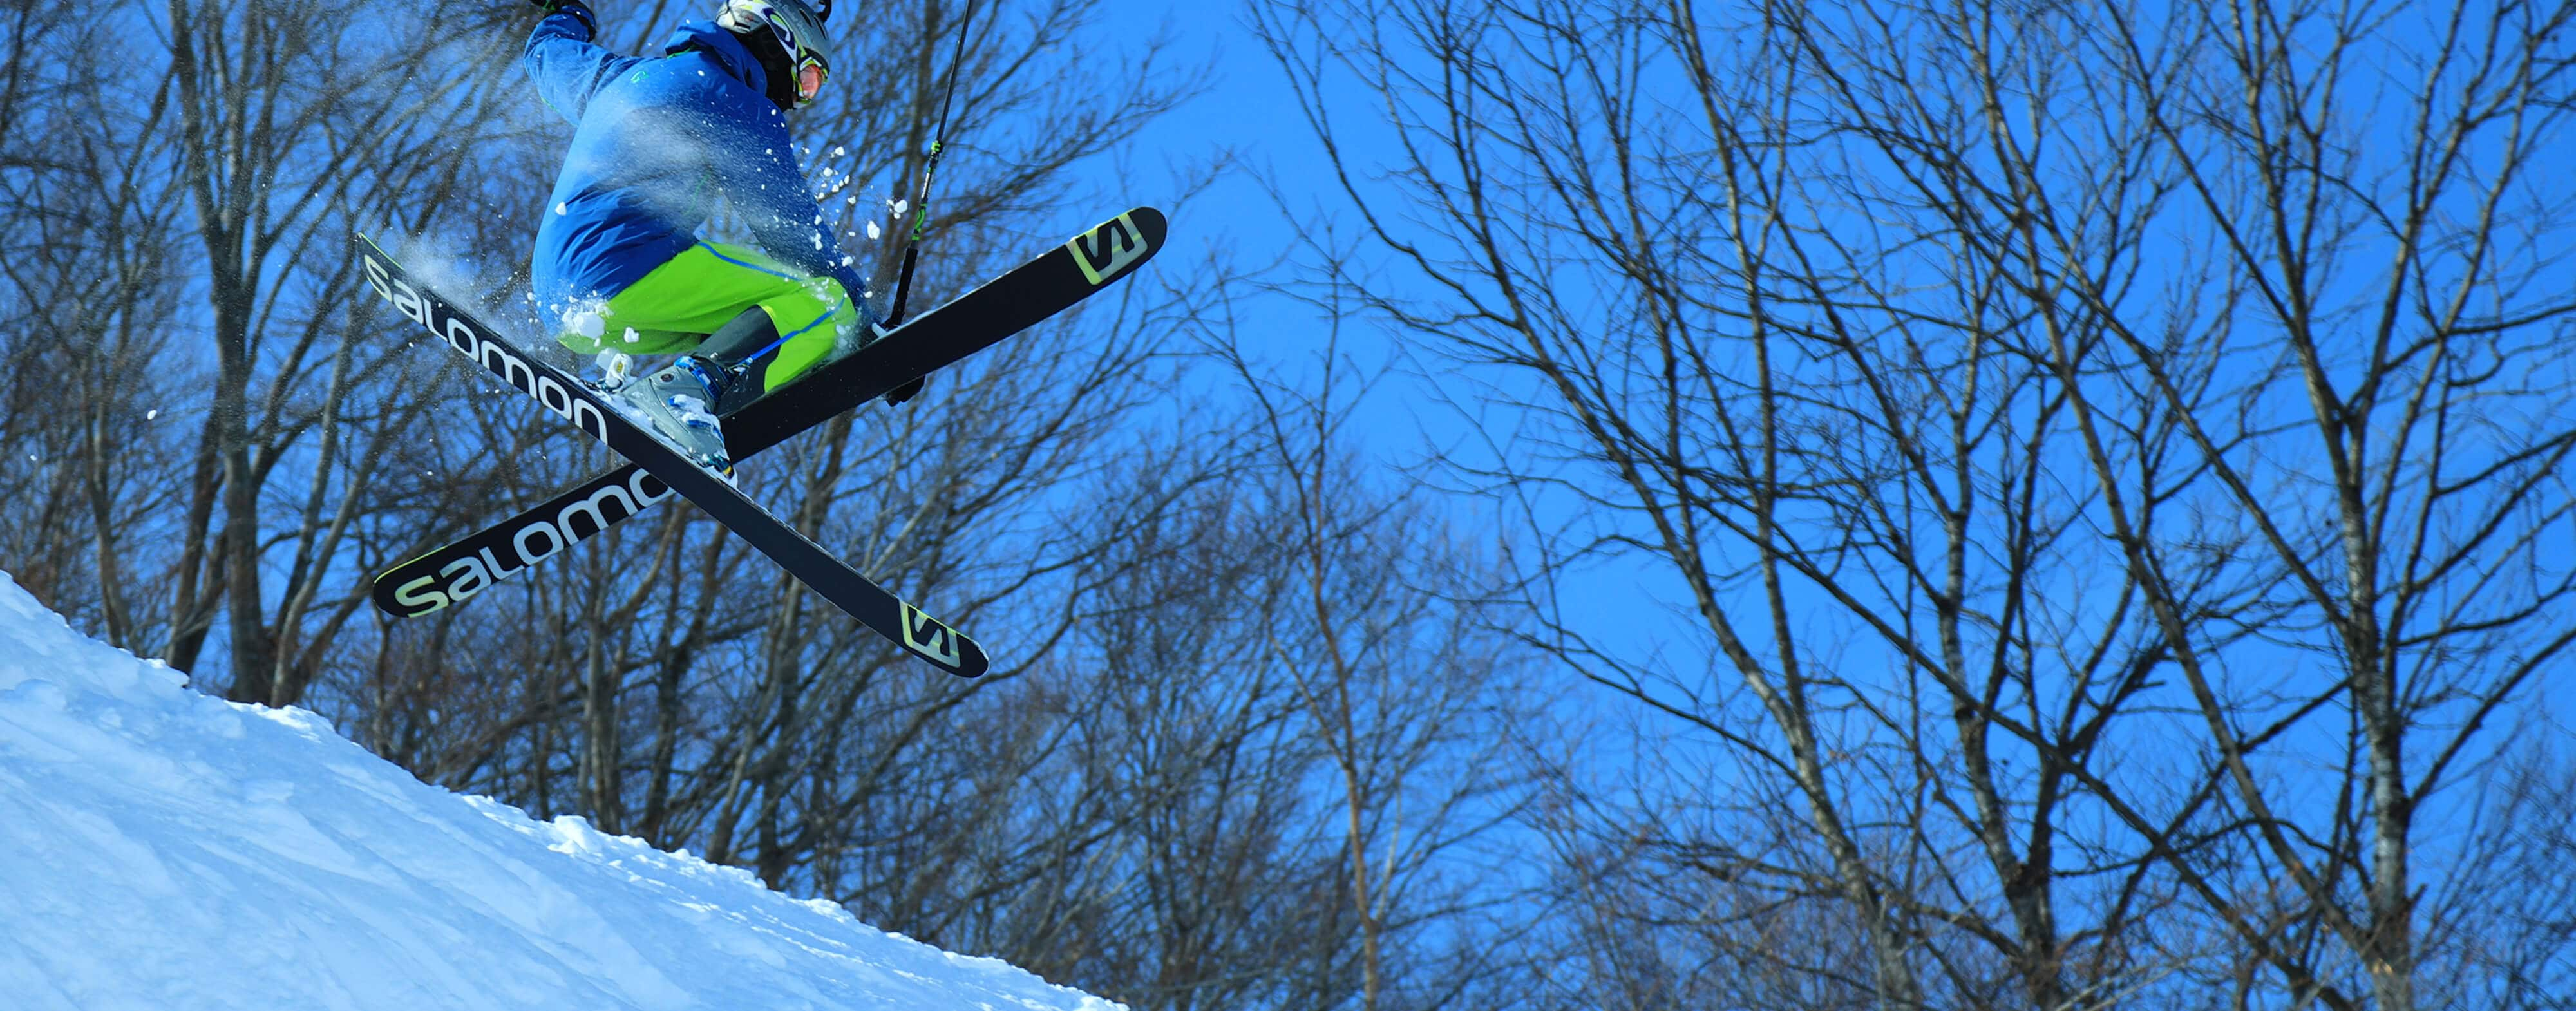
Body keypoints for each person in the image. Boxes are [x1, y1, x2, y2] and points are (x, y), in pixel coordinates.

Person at [522, 0, 919, 475]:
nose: (799, 98)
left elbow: (548, 54)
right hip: (627, 264)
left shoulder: (620, 77)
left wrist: (569, 12)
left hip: (563, 302)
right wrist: (869, 330)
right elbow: (791, 228)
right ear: (779, 39)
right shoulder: (732, 99)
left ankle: (689, 402)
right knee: (826, 300)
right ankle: (685, 392)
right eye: (810, 78)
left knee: (760, 321)